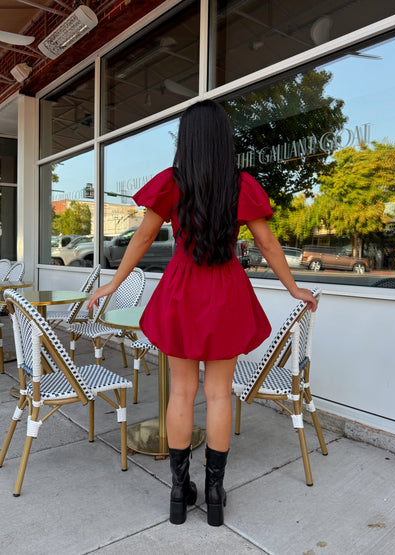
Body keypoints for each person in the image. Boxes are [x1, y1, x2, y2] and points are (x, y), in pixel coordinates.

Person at [87, 100, 317, 527]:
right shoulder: (241, 184)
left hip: (182, 291)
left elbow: (139, 241)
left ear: (187, 140)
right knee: (218, 394)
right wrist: (293, 287)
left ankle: (178, 492)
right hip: (226, 291)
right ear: (223, 140)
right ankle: (214, 493)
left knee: (180, 393)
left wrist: (112, 284)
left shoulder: (172, 184)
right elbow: (267, 244)